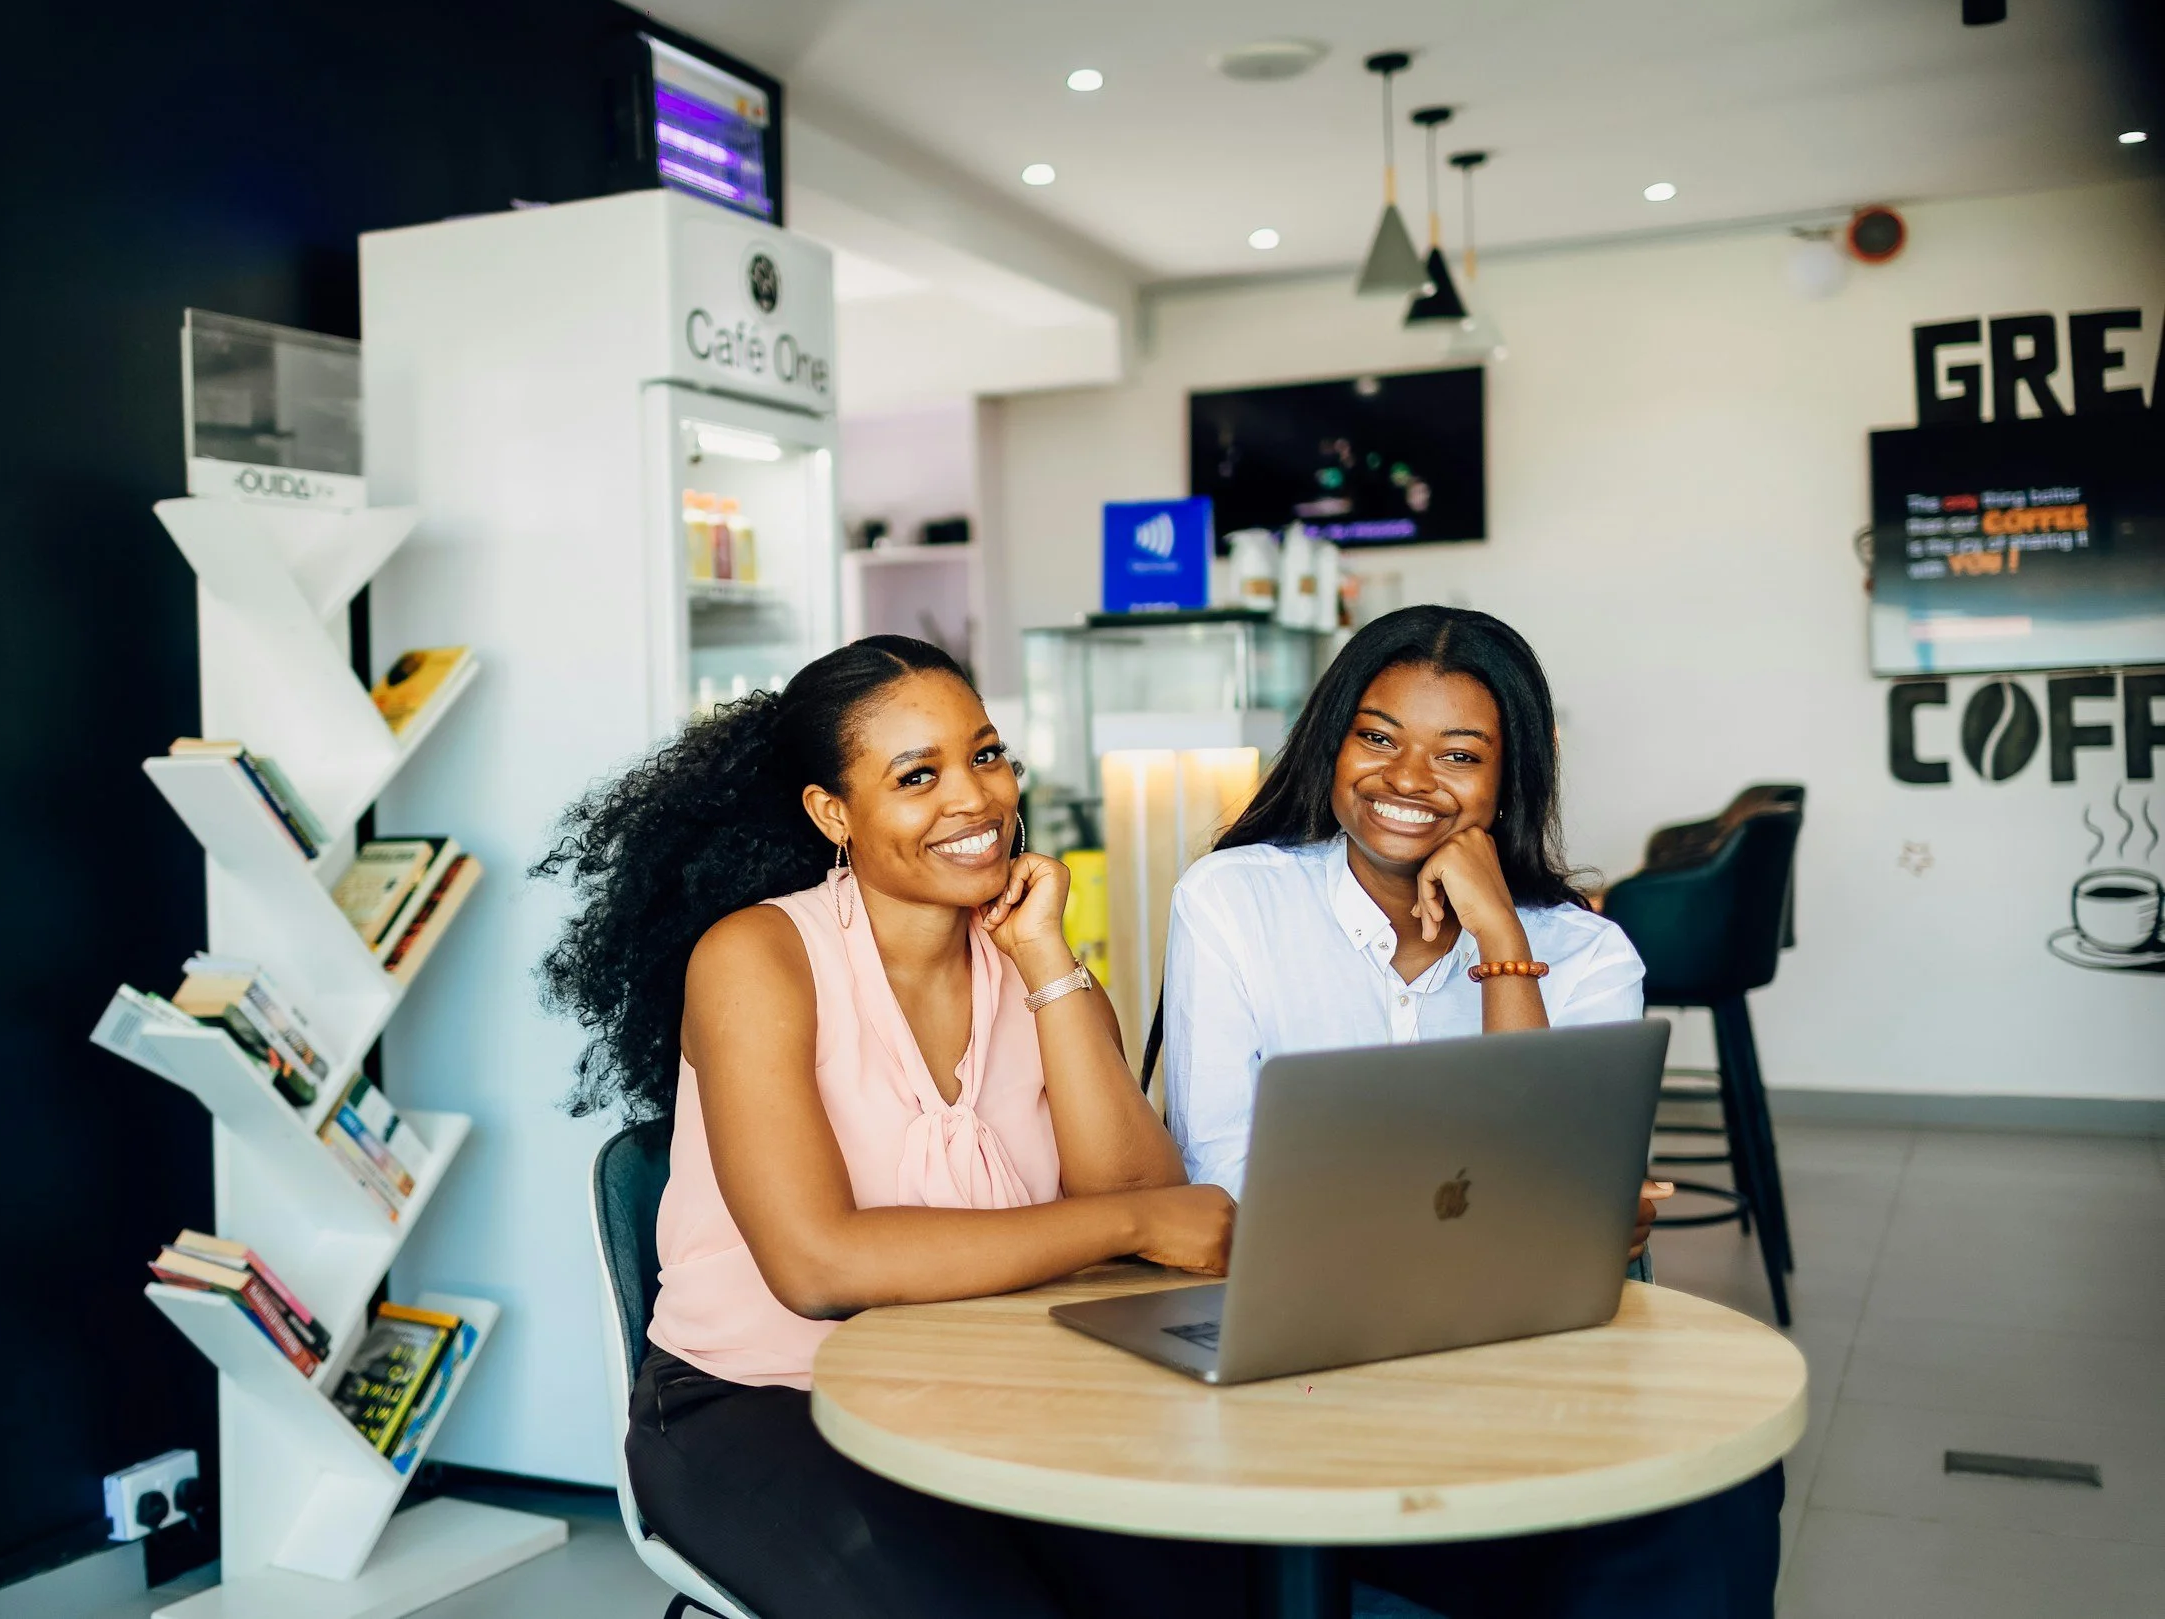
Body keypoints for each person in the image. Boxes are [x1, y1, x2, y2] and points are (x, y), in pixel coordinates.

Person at [535, 635, 1252, 1619]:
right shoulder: (757, 957)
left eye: (986, 755)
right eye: (918, 775)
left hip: (993, 1376)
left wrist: (1048, 961)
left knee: (1218, 1586)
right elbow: (819, 1266)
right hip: (763, 1400)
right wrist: (1128, 1227)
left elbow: (1144, 1200)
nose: (975, 798)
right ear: (833, 812)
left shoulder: (1028, 959)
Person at [1159, 604, 1783, 1619]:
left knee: (1716, 1495)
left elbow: (1556, 1211)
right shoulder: (1232, 901)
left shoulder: (1587, 954)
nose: (1408, 779)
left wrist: (1500, 940)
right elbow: (1221, 1171)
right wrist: (1520, 1218)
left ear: (1507, 778)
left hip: (1523, 1352)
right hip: (1302, 1341)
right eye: (1377, 737)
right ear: (1332, 744)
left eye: (1458, 754)